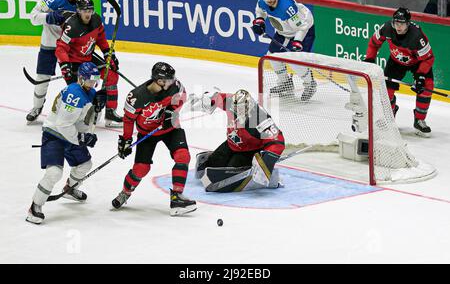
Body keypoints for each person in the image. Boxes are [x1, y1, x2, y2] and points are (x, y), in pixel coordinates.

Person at [111, 62, 196, 216]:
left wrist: (171, 111)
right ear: (159, 81)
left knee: (183, 156)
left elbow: (183, 95)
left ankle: (177, 197)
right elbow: (129, 119)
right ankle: (125, 193)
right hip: (147, 134)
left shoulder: (174, 87)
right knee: (141, 169)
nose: (173, 82)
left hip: (170, 129)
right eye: (168, 80)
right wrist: (126, 140)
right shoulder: (136, 96)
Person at [26, 62, 107, 224]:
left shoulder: (89, 92)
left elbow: (86, 121)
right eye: (91, 80)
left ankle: (69, 189)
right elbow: (63, 124)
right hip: (54, 135)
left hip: (71, 135)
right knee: (54, 172)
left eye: (96, 79)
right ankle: (35, 206)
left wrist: (98, 108)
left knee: (84, 164)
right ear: (81, 79)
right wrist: (82, 138)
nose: (94, 83)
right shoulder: (74, 93)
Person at [190, 89, 285, 192]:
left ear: (249, 105)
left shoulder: (259, 117)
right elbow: (217, 97)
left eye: (242, 108)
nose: (239, 112)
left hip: (249, 150)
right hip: (232, 144)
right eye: (237, 108)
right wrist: (204, 99)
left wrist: (266, 161)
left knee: (230, 171)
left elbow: (278, 141)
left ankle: (273, 178)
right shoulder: (230, 102)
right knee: (213, 163)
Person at [364, 7, 435, 137]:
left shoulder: (417, 36)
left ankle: (419, 120)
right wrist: (369, 58)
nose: (398, 27)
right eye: (396, 23)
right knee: (386, 90)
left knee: (427, 86)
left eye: (401, 23)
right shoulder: (386, 28)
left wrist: (420, 76)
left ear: (408, 23)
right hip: (396, 61)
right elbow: (373, 43)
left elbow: (429, 58)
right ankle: (389, 117)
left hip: (417, 63)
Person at [55, 0, 123, 127]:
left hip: (88, 57)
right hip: (73, 61)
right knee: (78, 89)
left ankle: (110, 113)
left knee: (112, 75)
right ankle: (74, 116)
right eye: (84, 11)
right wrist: (65, 66)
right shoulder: (71, 26)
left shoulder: (96, 20)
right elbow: (61, 49)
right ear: (78, 11)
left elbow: (101, 40)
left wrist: (109, 55)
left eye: (90, 10)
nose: (88, 14)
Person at [26, 0, 80, 124]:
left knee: (73, 81)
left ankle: (76, 111)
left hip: (69, 48)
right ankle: (37, 107)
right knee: (42, 78)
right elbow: (33, 17)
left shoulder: (80, 3)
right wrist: (48, 17)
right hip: (49, 45)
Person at [252, 0, 316, 100]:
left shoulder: (287, 7)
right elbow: (259, 11)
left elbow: (301, 27)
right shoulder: (262, 0)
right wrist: (259, 20)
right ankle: (285, 83)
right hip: (284, 32)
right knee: (272, 56)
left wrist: (297, 42)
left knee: (295, 61)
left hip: (304, 30)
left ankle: (310, 84)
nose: (268, 0)